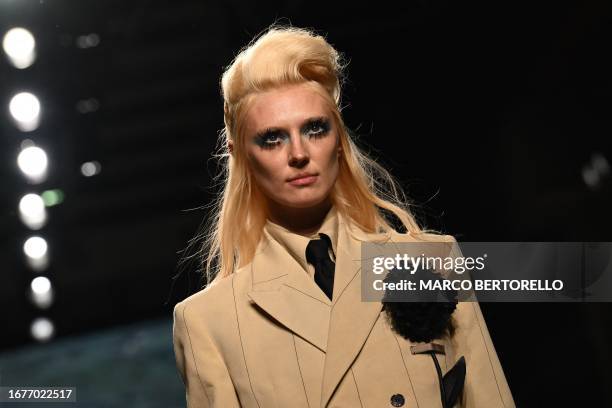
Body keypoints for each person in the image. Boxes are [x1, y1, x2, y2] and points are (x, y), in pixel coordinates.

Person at [172, 25, 515, 408]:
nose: (298, 153)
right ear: (241, 156)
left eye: (315, 129)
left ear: (338, 140)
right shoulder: (209, 321)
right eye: (272, 138)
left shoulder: (431, 261)